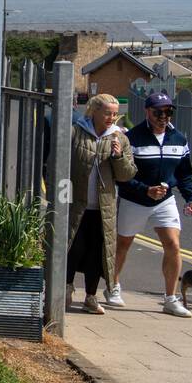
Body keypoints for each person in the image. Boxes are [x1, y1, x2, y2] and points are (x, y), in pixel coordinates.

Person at [113, 91, 192, 318]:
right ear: (147, 112)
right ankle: (113, 286)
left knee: (173, 244)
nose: (164, 116)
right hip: (135, 199)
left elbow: (184, 174)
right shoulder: (132, 137)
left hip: (165, 200)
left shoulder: (179, 139)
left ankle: (170, 299)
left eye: (168, 112)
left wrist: (191, 198)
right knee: (123, 244)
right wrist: (145, 190)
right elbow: (122, 175)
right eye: (158, 112)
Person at [66, 93, 136, 314]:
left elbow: (127, 175)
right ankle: (66, 288)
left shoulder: (120, 138)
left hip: (103, 207)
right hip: (76, 203)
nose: (111, 118)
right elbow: (59, 163)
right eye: (107, 113)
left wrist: (118, 157)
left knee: (97, 252)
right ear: (94, 111)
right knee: (73, 248)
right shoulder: (76, 132)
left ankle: (91, 296)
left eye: (115, 114)